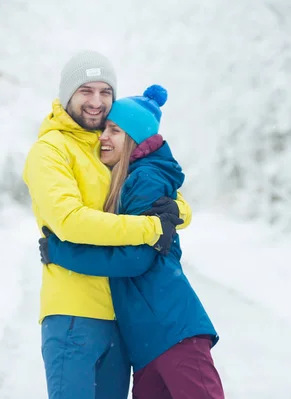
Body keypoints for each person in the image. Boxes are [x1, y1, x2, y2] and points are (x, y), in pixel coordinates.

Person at [22, 50, 194, 399]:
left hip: (120, 316)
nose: (96, 102)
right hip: (73, 314)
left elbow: (160, 197)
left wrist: (176, 212)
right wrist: (150, 228)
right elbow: (70, 222)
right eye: (86, 91)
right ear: (67, 94)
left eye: (105, 92)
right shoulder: (50, 150)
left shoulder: (110, 147)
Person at [39, 84, 225, 399]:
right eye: (105, 128)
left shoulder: (144, 179)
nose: (103, 137)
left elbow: (135, 259)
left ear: (134, 139)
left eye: (114, 130)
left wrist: (61, 252)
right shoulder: (128, 179)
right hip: (148, 342)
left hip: (173, 330)